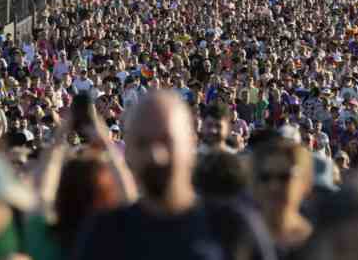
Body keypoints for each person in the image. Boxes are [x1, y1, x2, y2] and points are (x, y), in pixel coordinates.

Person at [74, 91, 276, 260]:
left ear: (190, 142)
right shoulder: (104, 234)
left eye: (166, 141)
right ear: (128, 151)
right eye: (143, 143)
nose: (156, 155)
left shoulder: (234, 228)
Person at [251, 139, 314, 258]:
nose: (273, 186)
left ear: (305, 183)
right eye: (265, 177)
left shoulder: (319, 245)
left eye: (285, 177)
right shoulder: (237, 239)